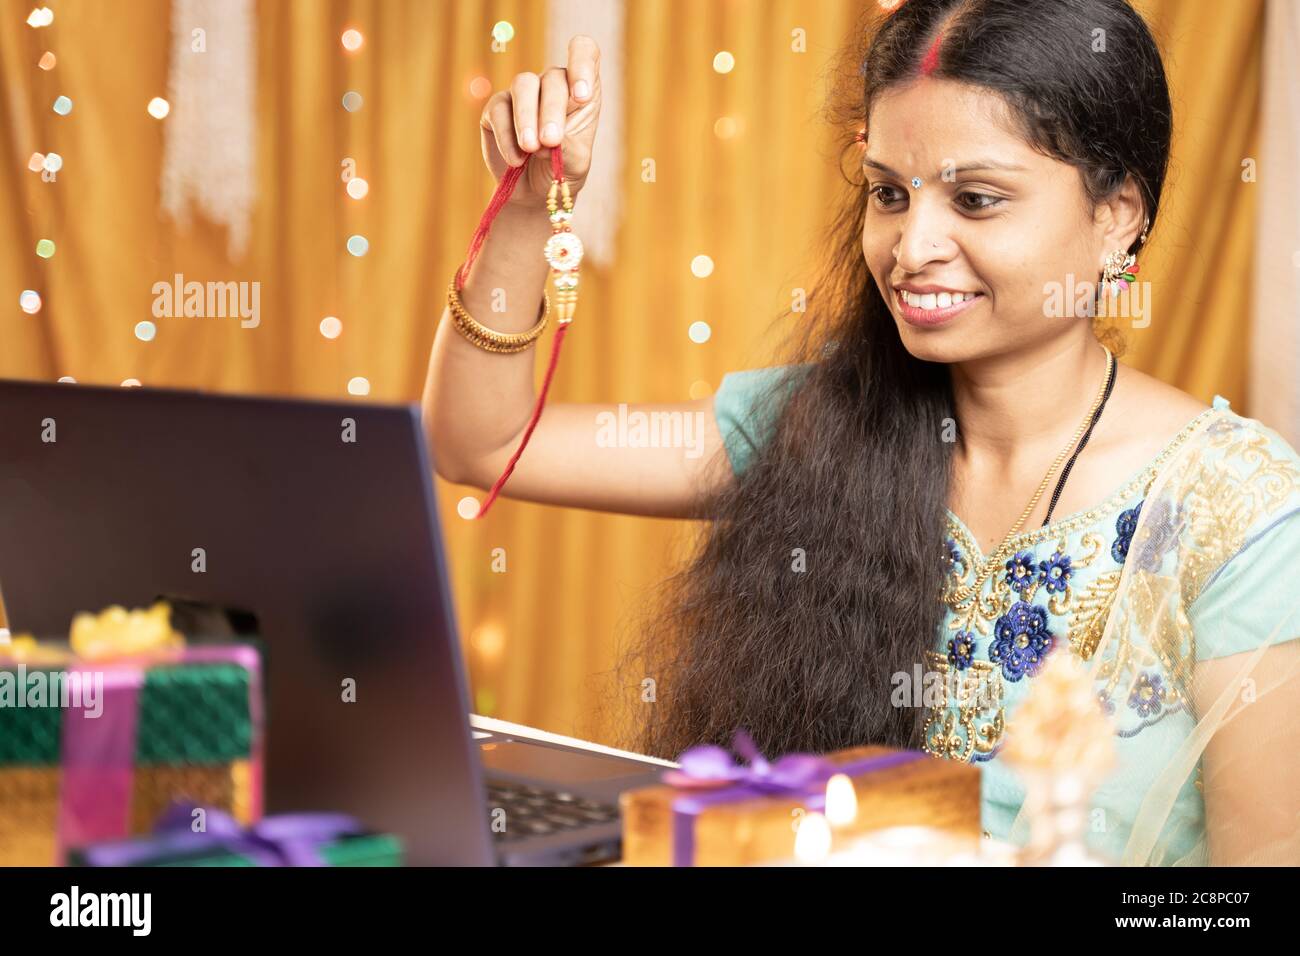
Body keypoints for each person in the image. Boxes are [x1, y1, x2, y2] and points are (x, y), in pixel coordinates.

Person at [423, 1, 1300, 865]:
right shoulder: (815, 425)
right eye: (889, 193)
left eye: (977, 199)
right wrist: (532, 210)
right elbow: (485, 444)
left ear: (1116, 216)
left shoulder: (1236, 507)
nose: (912, 244)